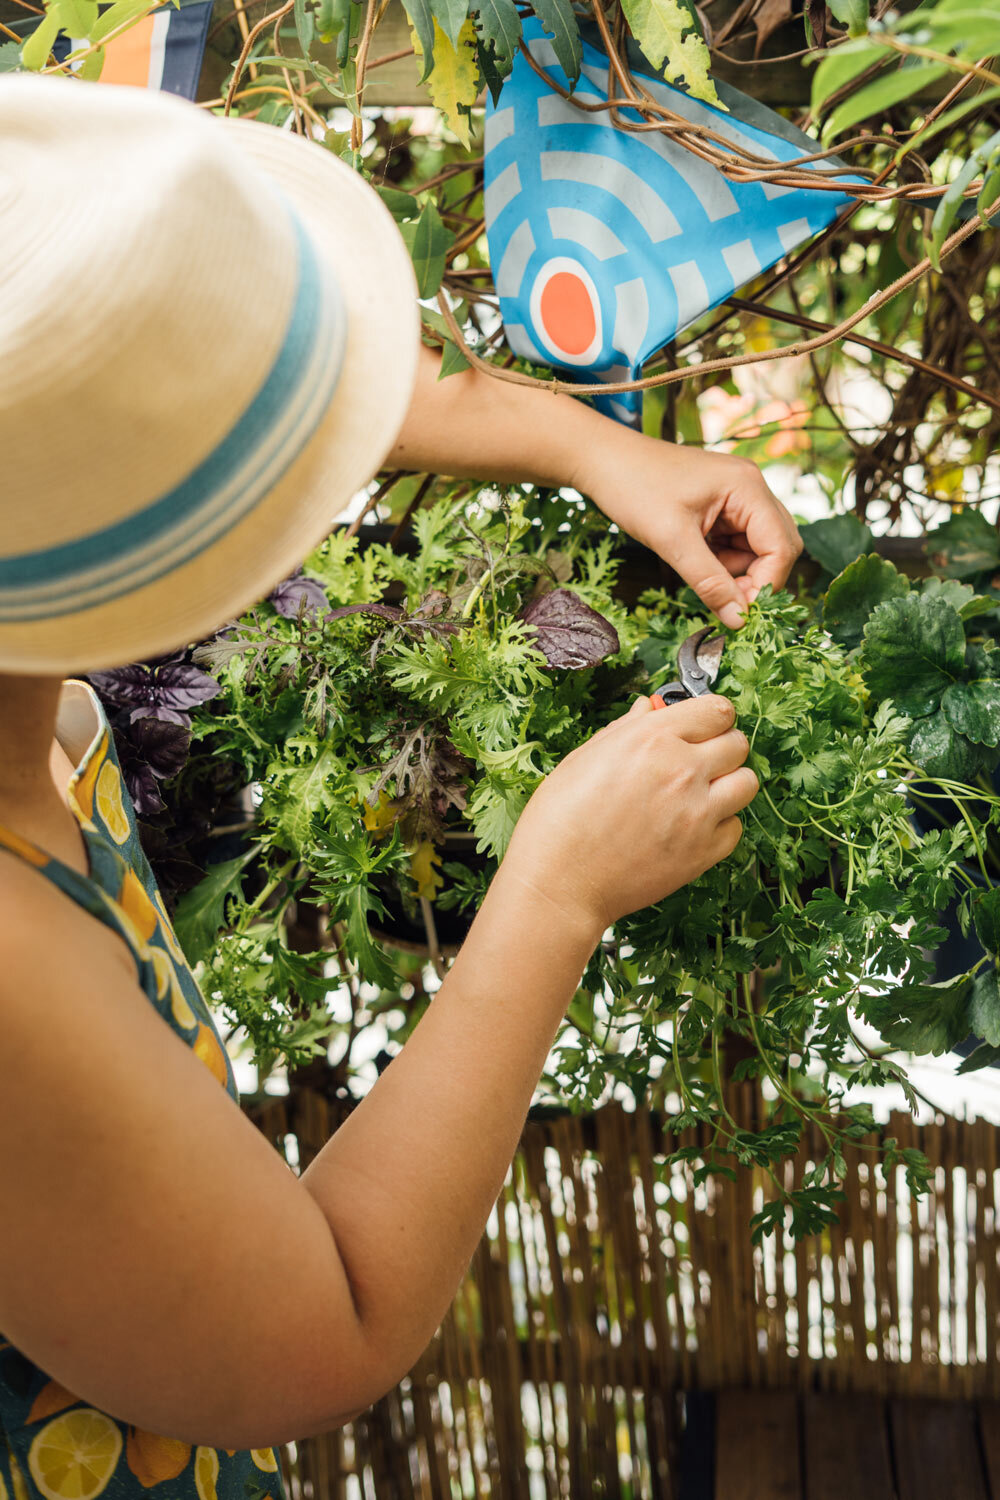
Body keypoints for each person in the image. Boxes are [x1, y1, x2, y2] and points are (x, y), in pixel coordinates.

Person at [0, 72, 800, 1500]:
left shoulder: (26, 708)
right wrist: (555, 889)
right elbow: (320, 1335)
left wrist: (592, 444)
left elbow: (146, 383)